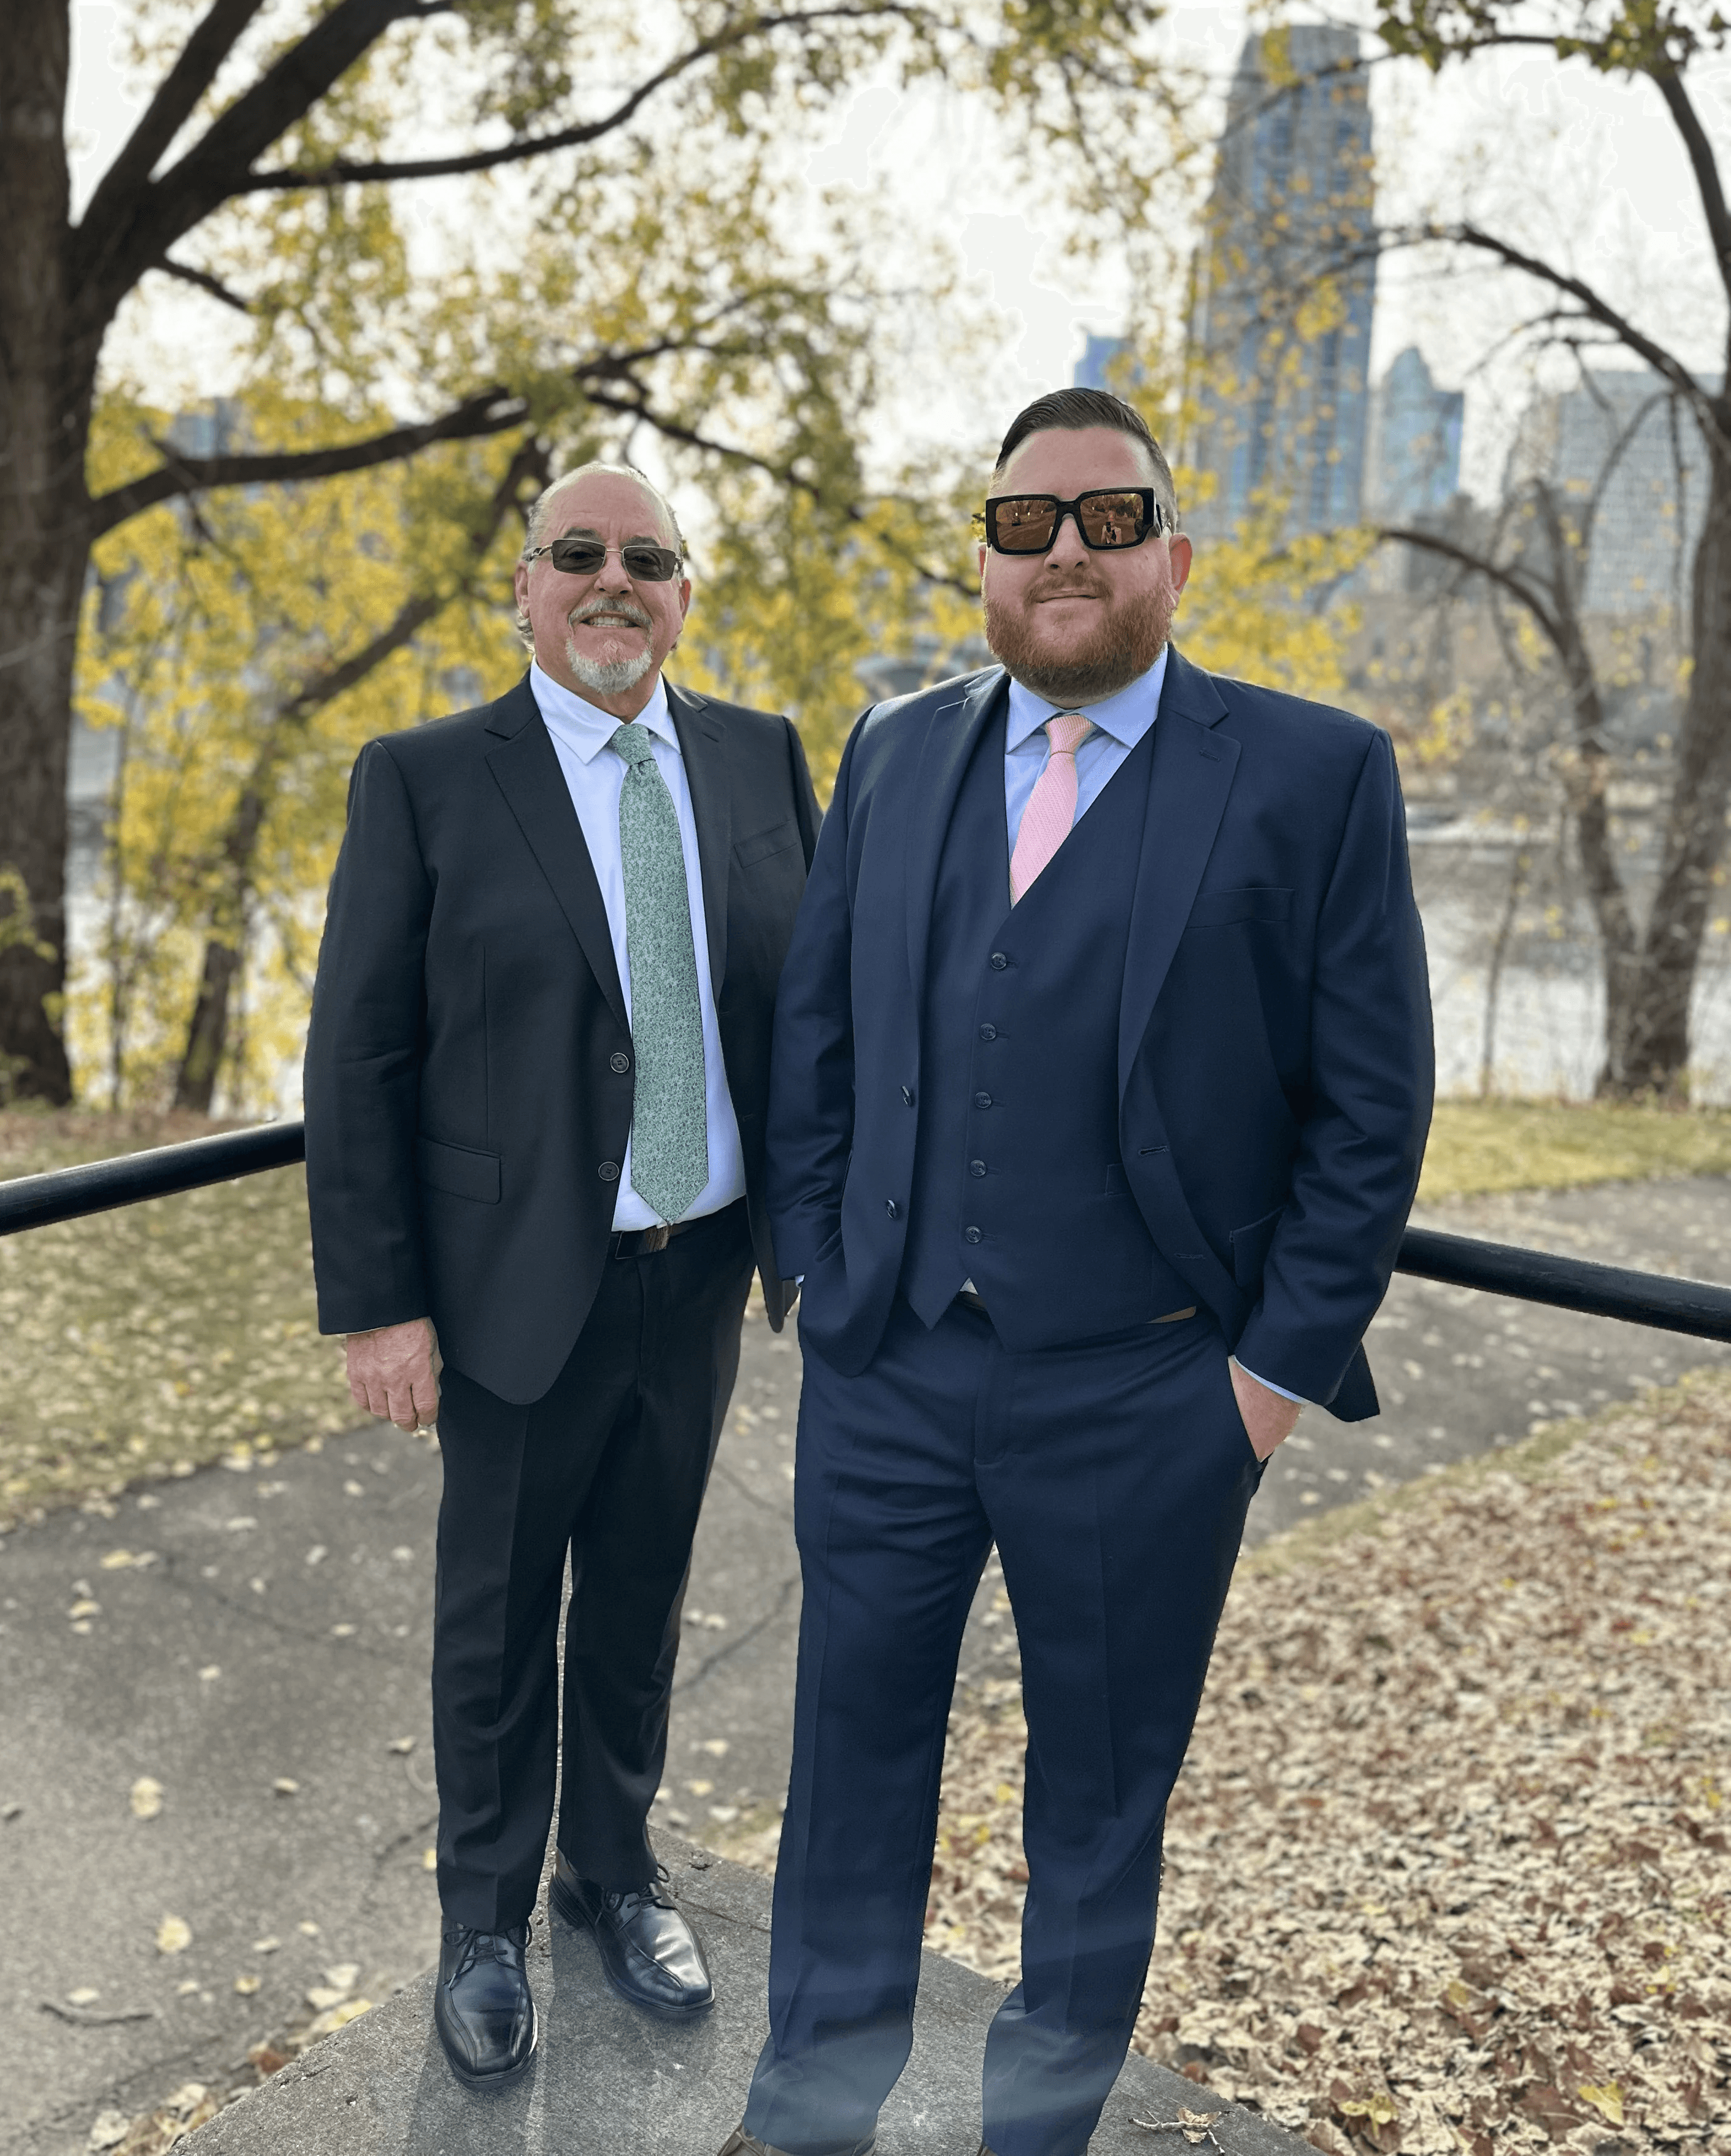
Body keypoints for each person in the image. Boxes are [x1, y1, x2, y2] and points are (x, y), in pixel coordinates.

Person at [721, 388, 1433, 2156]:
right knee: (846, 1771)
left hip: (1150, 1391)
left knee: (1100, 1807)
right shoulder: (894, 749)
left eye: (1108, 521)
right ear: (983, 554)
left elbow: (1372, 1111)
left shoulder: (1312, 772)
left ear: (1173, 558)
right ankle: (810, 2115)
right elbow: (817, 1036)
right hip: (888, 1372)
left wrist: (1264, 1386)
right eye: (1025, 520)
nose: (1063, 552)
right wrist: (810, 1273)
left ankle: (1034, 2135)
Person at [303, 461, 820, 2091]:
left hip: (702, 1272)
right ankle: (480, 1924)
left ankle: (614, 1870)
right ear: (524, 589)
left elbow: (809, 1015)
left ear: (684, 592)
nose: (615, 579)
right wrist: (379, 1304)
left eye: (647, 558)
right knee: (497, 1617)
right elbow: (359, 1059)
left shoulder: (758, 759)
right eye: (579, 554)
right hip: (520, 1285)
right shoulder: (428, 778)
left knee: (644, 1601)